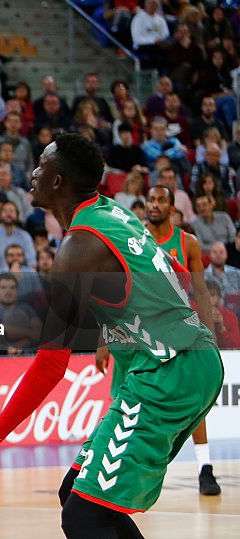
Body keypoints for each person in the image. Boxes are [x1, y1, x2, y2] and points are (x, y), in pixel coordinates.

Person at [0, 134, 224, 536]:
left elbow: (50, 365)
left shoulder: (78, 249)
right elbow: (168, 272)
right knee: (78, 496)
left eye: (42, 165)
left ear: (58, 181)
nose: (33, 172)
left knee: (84, 515)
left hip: (169, 373)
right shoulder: (113, 212)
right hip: (188, 359)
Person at [95, 184, 222, 495]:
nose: (153, 204)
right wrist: (102, 339)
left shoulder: (187, 243)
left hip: (173, 332)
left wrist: (210, 335)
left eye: (160, 200)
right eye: (150, 199)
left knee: (192, 403)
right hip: (131, 332)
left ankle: (205, 467)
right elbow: (111, 289)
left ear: (173, 208)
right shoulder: (134, 234)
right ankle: (121, 467)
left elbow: (200, 291)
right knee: (122, 398)